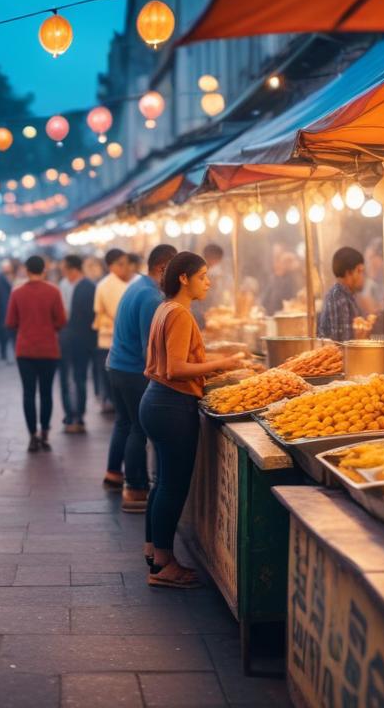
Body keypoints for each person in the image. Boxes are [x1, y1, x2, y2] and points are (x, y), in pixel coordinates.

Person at [139, 251, 246, 589]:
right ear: (184, 279)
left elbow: (179, 359)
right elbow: (176, 368)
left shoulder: (164, 308)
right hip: (171, 405)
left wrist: (223, 358)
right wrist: (222, 365)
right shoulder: (181, 315)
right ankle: (163, 564)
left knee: (161, 484)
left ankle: (154, 552)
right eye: (202, 276)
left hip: (156, 401)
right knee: (172, 485)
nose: (208, 282)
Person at [107, 244, 176, 511]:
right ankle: (135, 490)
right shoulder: (150, 297)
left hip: (117, 366)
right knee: (138, 428)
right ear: (162, 268)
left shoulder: (137, 287)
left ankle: (116, 475)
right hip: (133, 370)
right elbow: (151, 346)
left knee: (125, 423)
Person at [5, 255, 66, 452]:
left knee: (29, 393)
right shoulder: (53, 291)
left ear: (26, 270)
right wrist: (48, 326)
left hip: (25, 350)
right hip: (49, 349)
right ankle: (45, 434)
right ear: (44, 270)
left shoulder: (17, 293)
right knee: (46, 393)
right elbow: (62, 321)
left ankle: (32, 436)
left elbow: (10, 322)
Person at [58, 254, 96, 434]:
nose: (62, 272)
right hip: (68, 339)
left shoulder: (88, 287)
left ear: (73, 269)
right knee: (68, 378)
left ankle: (78, 415)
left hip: (81, 339)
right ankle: (70, 414)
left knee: (79, 378)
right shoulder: (64, 284)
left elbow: (90, 315)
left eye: (64, 269)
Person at [93, 249, 133, 413]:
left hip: (113, 338)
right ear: (111, 266)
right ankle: (114, 402)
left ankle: (112, 401)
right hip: (112, 338)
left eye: (127, 264)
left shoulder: (122, 284)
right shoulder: (109, 285)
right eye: (121, 264)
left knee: (111, 374)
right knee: (113, 374)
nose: (126, 268)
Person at [317, 247, 367, 342]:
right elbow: (342, 343)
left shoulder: (347, 295)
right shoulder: (338, 297)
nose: (362, 276)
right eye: (359, 271)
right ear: (348, 273)